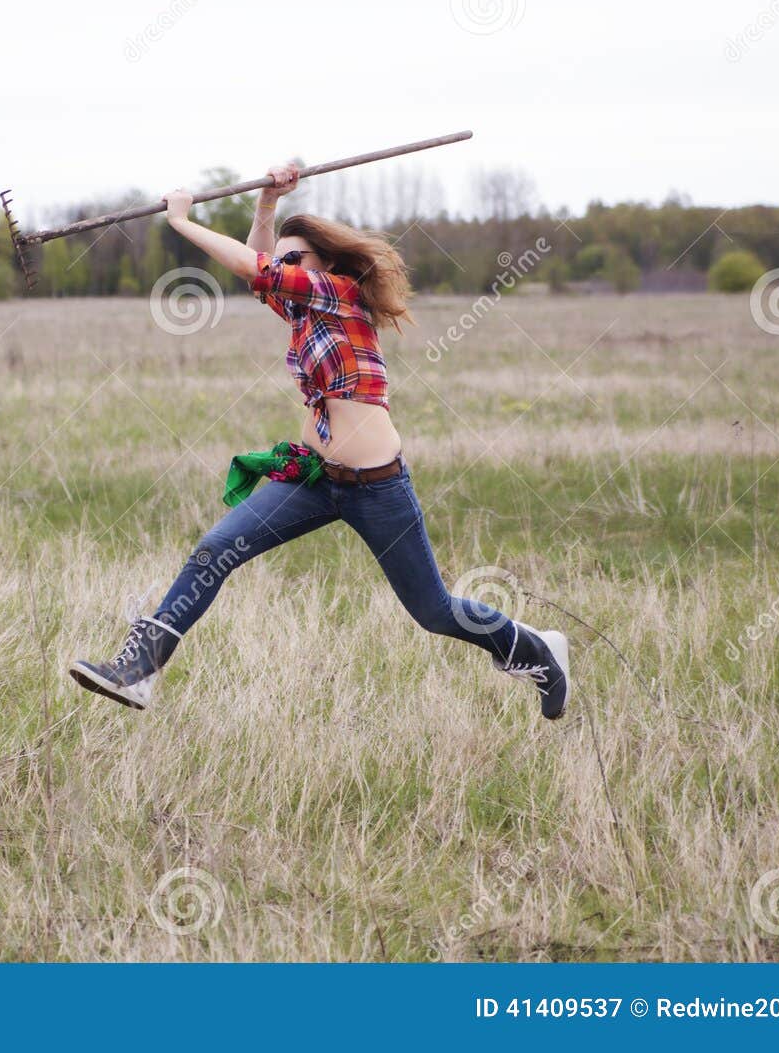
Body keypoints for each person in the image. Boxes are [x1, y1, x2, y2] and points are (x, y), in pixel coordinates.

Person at [69, 164, 570, 718]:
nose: (284, 268)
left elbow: (250, 264)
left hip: (377, 488)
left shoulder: (336, 292)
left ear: (325, 264)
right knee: (215, 550)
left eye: (295, 259)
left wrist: (182, 221)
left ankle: (538, 650)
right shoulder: (302, 308)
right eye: (282, 260)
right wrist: (266, 205)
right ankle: (138, 671)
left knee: (433, 612)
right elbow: (257, 272)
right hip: (313, 479)